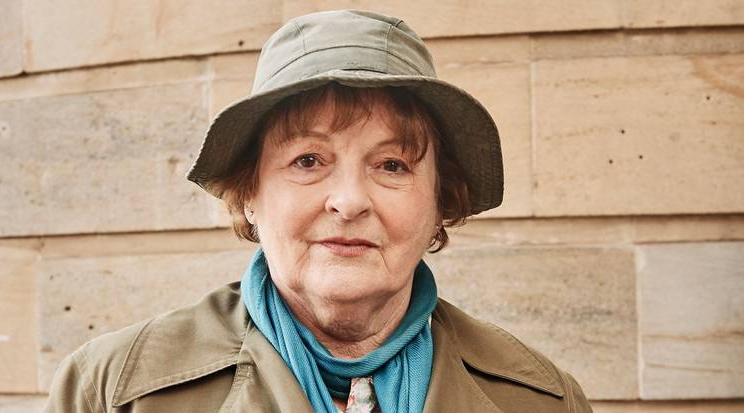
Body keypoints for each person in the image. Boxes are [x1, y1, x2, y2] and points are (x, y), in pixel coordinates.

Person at [45, 9, 592, 413]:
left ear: (438, 205)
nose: (350, 201)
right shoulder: (113, 392)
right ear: (250, 195)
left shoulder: (542, 399)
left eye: (393, 165)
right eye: (308, 160)